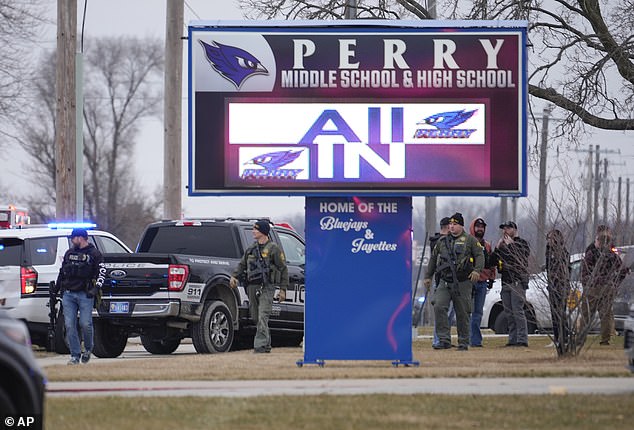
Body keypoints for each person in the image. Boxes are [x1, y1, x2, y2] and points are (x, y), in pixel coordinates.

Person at [424, 212, 484, 351]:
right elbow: (433, 259)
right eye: (450, 224)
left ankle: (463, 341)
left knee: (462, 312)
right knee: (439, 305)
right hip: (445, 280)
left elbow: (480, 256)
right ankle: (443, 339)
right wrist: (428, 276)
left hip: (463, 281)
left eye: (455, 224)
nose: (451, 226)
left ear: (461, 226)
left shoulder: (470, 240)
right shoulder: (442, 241)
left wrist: (477, 271)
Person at [230, 220, 289, 353]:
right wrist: (234, 276)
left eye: (256, 229)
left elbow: (283, 269)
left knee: (263, 315)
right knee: (256, 317)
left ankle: (260, 346)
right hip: (252, 286)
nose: (253, 231)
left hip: (267, 287)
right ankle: (266, 344)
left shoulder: (274, 249)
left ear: (262, 231)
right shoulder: (251, 249)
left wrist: (283, 290)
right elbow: (242, 264)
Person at [53, 228, 104, 365]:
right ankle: (75, 356)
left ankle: (87, 349)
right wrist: (57, 289)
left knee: (85, 324)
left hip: (85, 294)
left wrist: (95, 289)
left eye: (73, 238)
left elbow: (102, 273)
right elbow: (62, 272)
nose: (71, 240)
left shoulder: (94, 254)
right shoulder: (69, 253)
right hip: (68, 294)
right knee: (69, 325)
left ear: (80, 238)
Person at [580, 225, 629, 345]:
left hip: (593, 288)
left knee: (586, 314)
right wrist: (615, 283)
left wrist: (586, 283)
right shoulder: (613, 255)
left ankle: (580, 338)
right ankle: (605, 340)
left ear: (599, 241)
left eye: (596, 240)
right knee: (606, 315)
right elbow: (623, 270)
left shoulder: (591, 253)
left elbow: (585, 270)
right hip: (608, 288)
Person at [491, 221, 531, 347]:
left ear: (514, 229)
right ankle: (512, 339)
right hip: (505, 282)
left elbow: (522, 257)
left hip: (517, 282)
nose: (505, 231)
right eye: (504, 229)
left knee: (517, 311)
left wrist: (511, 245)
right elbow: (491, 262)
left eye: (508, 228)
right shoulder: (503, 247)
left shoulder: (521, 244)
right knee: (508, 312)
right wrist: (497, 248)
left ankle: (522, 339)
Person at [468, 217, 496, 347]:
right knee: (467, 312)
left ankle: (476, 341)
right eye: (478, 226)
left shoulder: (487, 246)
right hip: (469, 282)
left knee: (478, 313)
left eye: (482, 227)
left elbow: (491, 264)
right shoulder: (467, 243)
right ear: (473, 228)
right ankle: (467, 339)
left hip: (483, 283)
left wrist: (491, 278)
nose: (480, 229)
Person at [428, 217, 452, 348]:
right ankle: (438, 340)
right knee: (441, 312)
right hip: (440, 281)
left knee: (448, 313)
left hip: (449, 280)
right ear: (447, 227)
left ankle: (444, 339)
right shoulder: (438, 242)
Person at [545, 229, 571, 352]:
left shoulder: (562, 252)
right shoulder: (548, 252)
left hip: (561, 286)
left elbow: (565, 270)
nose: (549, 241)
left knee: (561, 313)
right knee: (554, 314)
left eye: (551, 238)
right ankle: (556, 338)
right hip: (552, 286)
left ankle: (564, 338)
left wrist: (559, 282)